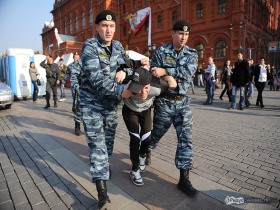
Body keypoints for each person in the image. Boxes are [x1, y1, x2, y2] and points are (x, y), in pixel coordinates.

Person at [80, 10, 148, 210]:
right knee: (98, 147)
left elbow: (128, 66)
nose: (108, 30)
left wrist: (123, 70)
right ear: (97, 27)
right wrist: (123, 92)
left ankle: (103, 165)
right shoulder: (90, 47)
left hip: (109, 106)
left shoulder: (118, 46)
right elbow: (97, 80)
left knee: (108, 144)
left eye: (111, 26)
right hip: (91, 104)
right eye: (104, 26)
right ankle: (102, 194)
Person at [147, 20, 198, 197]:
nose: (183, 37)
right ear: (173, 34)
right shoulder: (161, 52)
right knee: (155, 136)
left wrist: (166, 72)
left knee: (186, 140)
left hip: (183, 103)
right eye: (180, 34)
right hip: (164, 103)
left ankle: (184, 178)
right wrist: (162, 73)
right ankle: (146, 151)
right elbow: (153, 71)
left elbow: (188, 72)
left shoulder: (192, 53)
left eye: (186, 34)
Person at [122, 67, 177, 186]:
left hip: (145, 111)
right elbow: (119, 91)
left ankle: (142, 156)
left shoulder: (157, 86)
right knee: (135, 139)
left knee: (146, 138)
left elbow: (172, 84)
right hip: (130, 111)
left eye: (146, 88)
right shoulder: (128, 84)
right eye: (138, 89)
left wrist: (167, 75)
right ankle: (135, 170)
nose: (142, 92)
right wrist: (127, 87)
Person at [61, 52, 82, 135]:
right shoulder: (70, 66)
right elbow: (66, 75)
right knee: (77, 104)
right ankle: (77, 126)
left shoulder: (84, 64)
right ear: (73, 57)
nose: (76, 57)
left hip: (84, 88)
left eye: (77, 56)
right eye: (75, 56)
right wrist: (63, 82)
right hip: (75, 88)